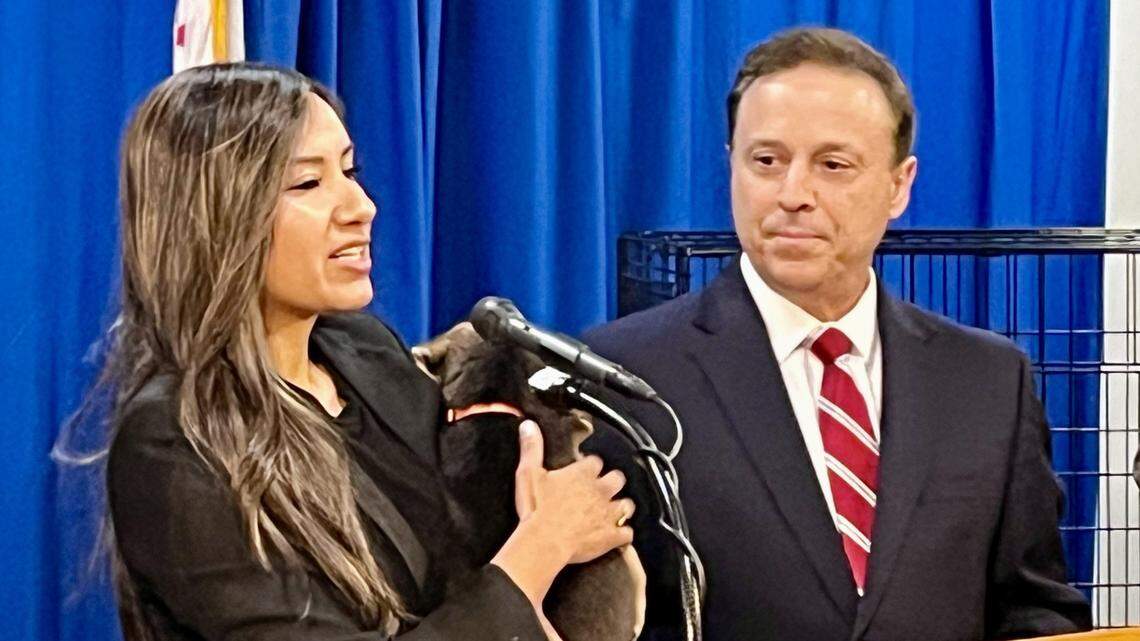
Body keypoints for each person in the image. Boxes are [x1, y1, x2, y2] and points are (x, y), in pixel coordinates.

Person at [583, 27, 1092, 641]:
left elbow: (1032, 609)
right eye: (766, 161)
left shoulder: (988, 380)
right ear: (732, 166)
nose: (794, 194)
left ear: (899, 185)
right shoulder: (624, 374)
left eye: (833, 165)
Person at [102, 62, 637, 641]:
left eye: (350, 170)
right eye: (308, 183)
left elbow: (459, 568)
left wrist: (530, 511)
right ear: (214, 218)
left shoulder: (365, 353)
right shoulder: (174, 439)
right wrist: (542, 547)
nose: (361, 206)